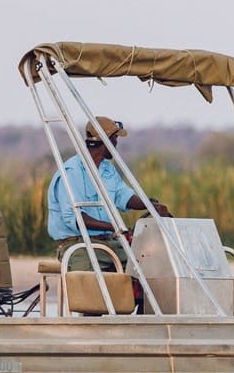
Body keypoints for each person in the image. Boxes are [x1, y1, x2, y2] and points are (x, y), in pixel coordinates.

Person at [47, 116, 171, 272]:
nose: (117, 143)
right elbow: (76, 218)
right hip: (78, 245)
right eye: (115, 138)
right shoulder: (72, 172)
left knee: (145, 267)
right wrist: (115, 227)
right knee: (91, 282)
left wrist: (152, 206)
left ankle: (139, 296)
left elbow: (124, 197)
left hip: (109, 243)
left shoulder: (108, 169)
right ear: (106, 140)